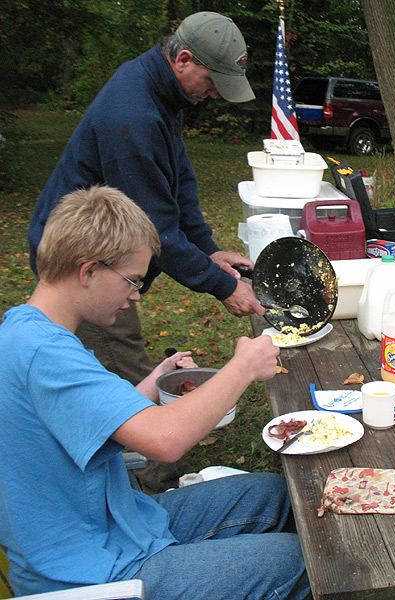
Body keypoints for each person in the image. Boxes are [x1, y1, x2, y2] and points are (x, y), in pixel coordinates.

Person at [0, 186, 309, 599]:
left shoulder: (29, 333)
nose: (135, 295)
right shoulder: (44, 354)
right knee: (305, 560)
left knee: (275, 494)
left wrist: (153, 381)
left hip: (125, 524)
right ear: (88, 271)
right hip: (93, 570)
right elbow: (165, 441)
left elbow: (86, 417)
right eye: (132, 281)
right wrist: (242, 368)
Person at [27, 11, 264, 387]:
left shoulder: (162, 90)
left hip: (108, 253)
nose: (215, 94)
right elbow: (154, 229)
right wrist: (224, 286)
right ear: (183, 59)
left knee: (101, 363)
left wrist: (208, 250)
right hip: (82, 263)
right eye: (212, 81)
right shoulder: (134, 114)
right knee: (122, 372)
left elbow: (179, 182)